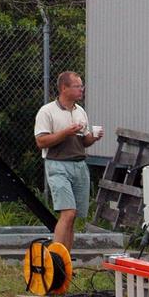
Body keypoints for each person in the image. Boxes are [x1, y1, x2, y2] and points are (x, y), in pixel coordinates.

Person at [34, 72, 103, 251]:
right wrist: (65, 132)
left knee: (73, 217)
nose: (81, 89)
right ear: (64, 88)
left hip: (79, 165)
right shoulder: (47, 111)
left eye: (81, 86)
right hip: (57, 164)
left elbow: (83, 142)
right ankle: (54, 256)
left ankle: (66, 259)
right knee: (68, 212)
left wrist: (93, 137)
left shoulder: (80, 111)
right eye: (77, 86)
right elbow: (41, 142)